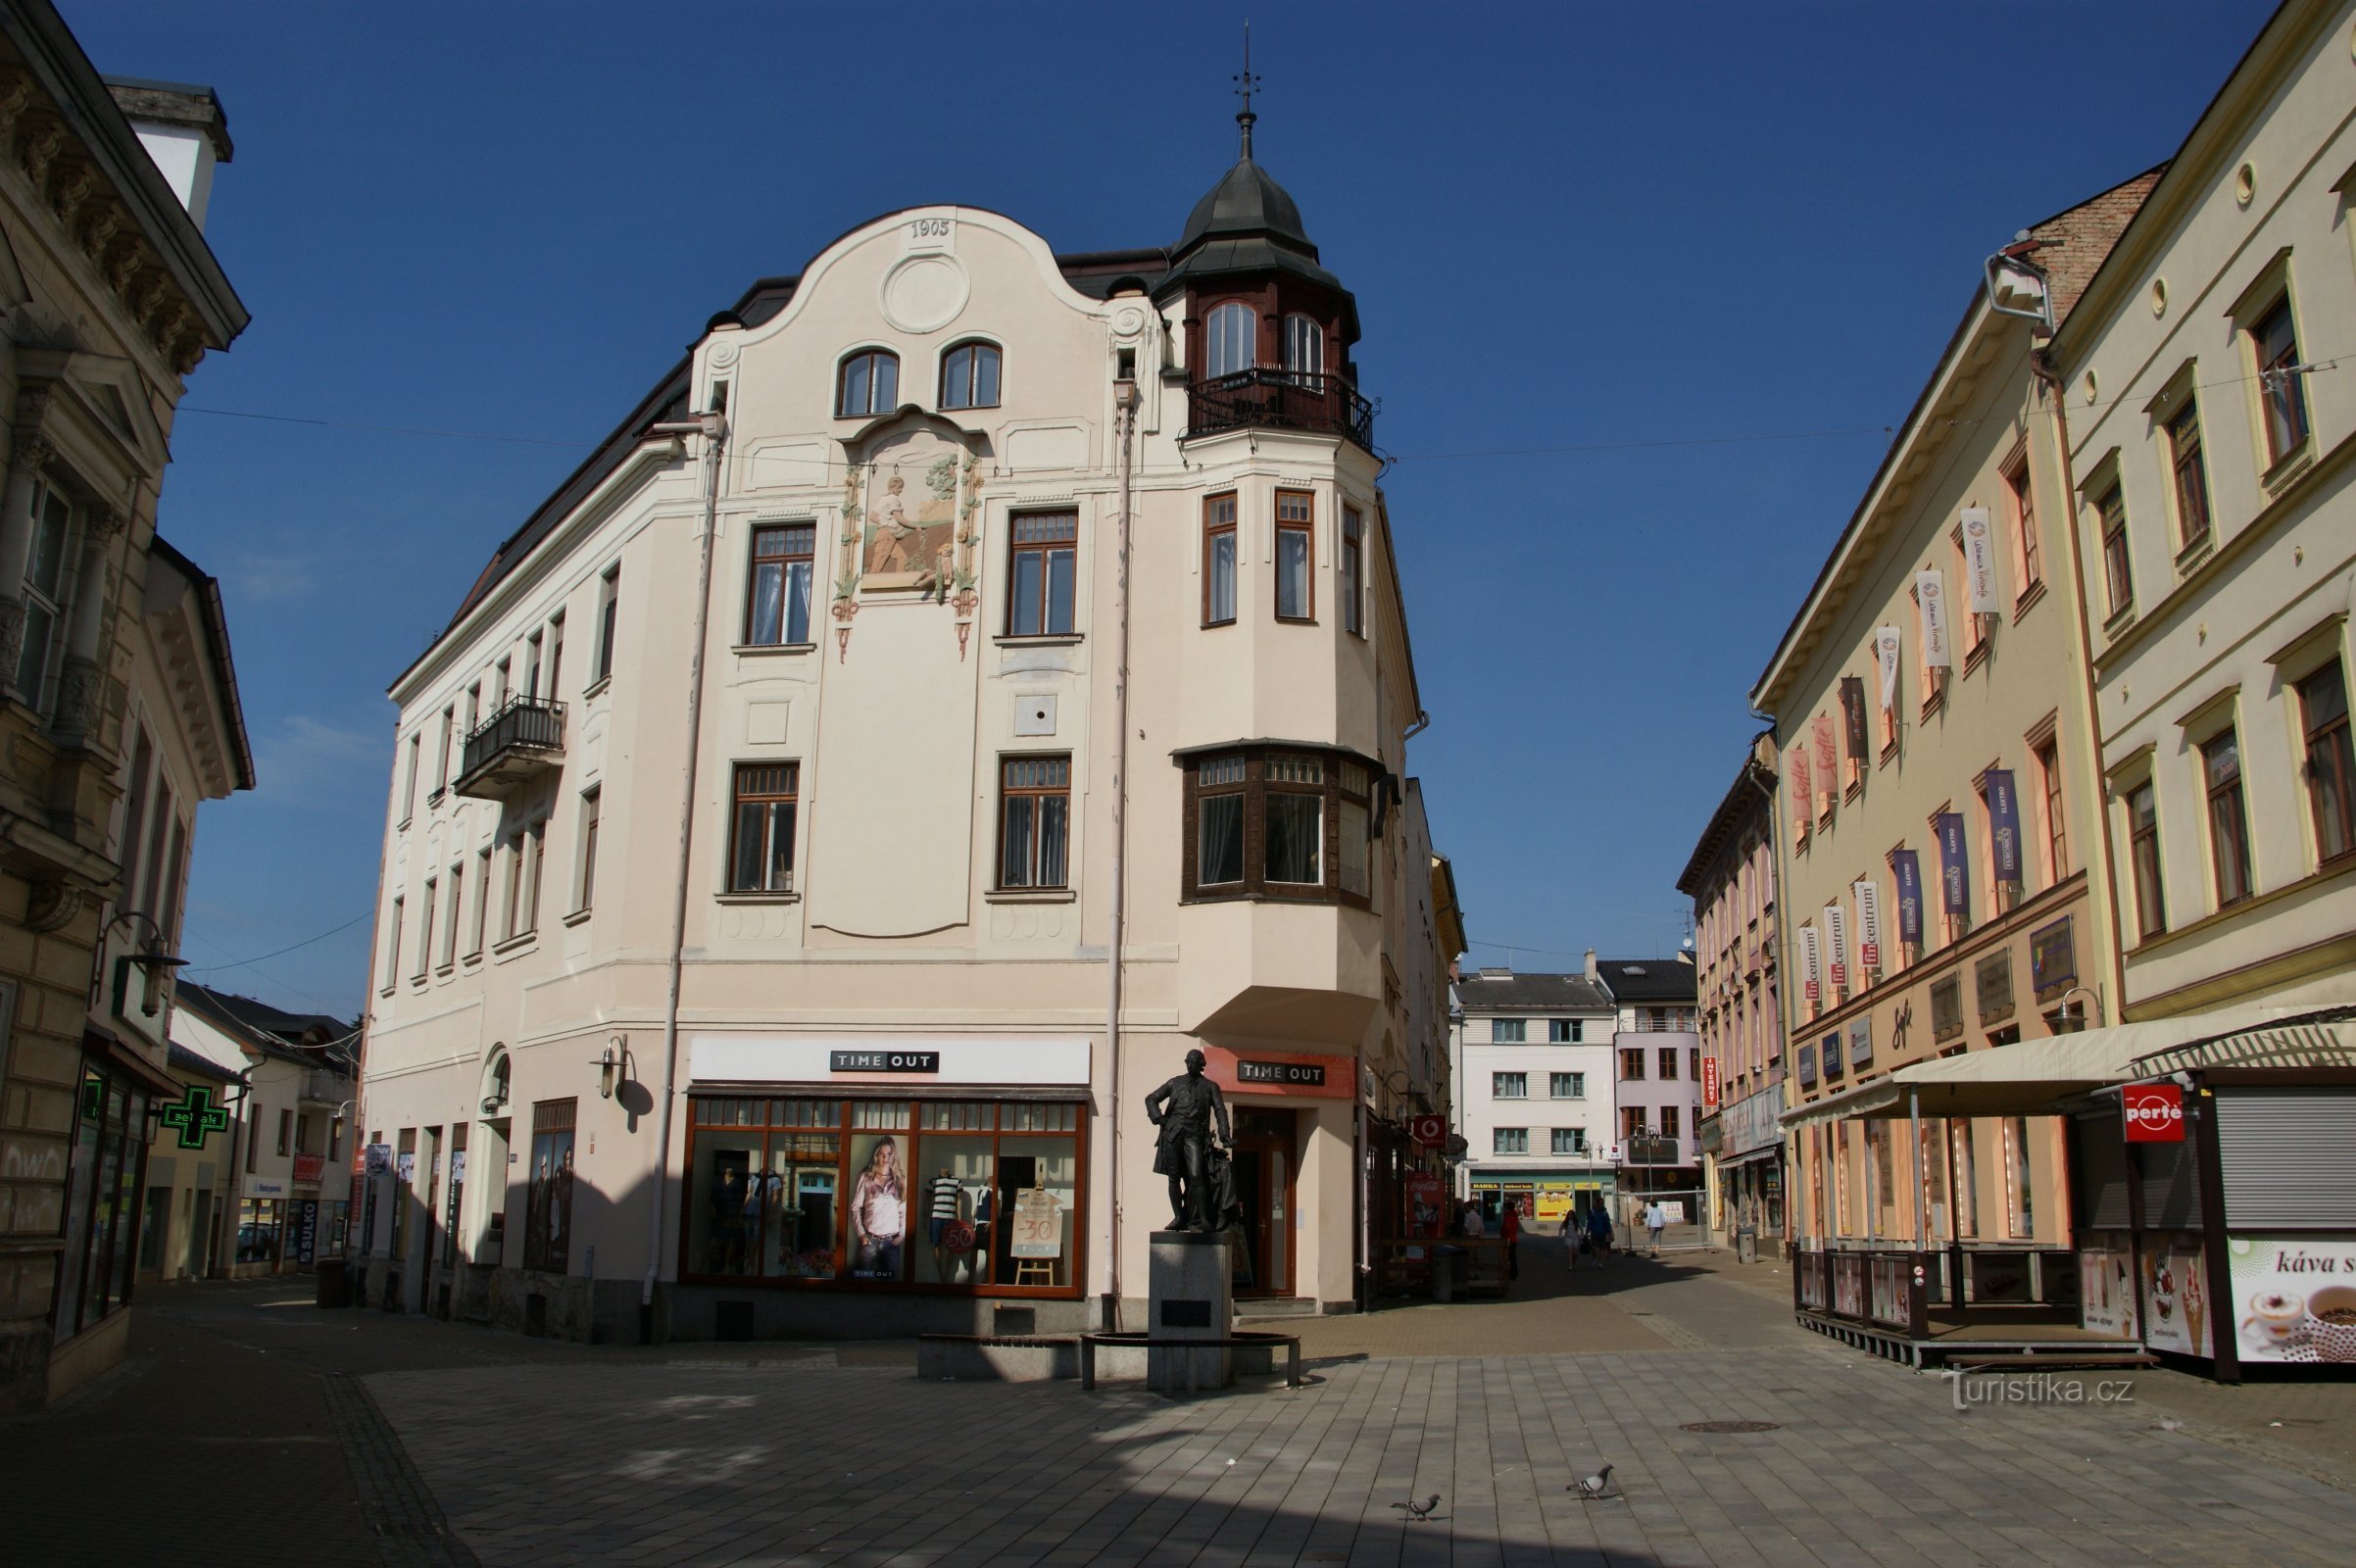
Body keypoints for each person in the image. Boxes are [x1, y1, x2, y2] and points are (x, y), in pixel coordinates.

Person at [1144, 1049, 1233, 1232]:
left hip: (1195, 1136)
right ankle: (1178, 1217)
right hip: (1173, 1134)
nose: (1190, 1065)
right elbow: (1151, 1098)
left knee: (1196, 1176)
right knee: (1173, 1177)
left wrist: (1225, 1135)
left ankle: (1203, 1219)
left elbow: (1220, 1110)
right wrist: (1159, 1118)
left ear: (1201, 1066)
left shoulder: (1210, 1086)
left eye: (1194, 1063)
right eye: (1188, 1062)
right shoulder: (1175, 1083)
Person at [850, 1136, 907, 1277]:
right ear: (876, 1156)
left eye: (889, 1154)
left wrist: (902, 1233)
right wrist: (861, 1234)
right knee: (862, 1279)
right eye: (882, 1154)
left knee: (890, 1282)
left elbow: (903, 1211)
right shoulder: (866, 1177)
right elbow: (856, 1207)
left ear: (893, 1157)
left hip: (891, 1243)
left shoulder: (899, 1180)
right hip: (869, 1239)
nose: (885, 1158)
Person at [1586, 1201, 1612, 1265]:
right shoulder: (1593, 1212)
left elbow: (1607, 1222)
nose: (1600, 1205)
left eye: (1601, 1203)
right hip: (1594, 1232)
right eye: (1599, 1203)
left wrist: (1609, 1231)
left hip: (1602, 1233)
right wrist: (1587, 1230)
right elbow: (1590, 1222)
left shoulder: (1605, 1213)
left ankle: (1600, 1263)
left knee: (1601, 1248)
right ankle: (1595, 1258)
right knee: (1595, 1248)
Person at [1500, 1198, 1521, 1279]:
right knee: (1512, 1257)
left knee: (1508, 1257)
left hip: (1508, 1238)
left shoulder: (1509, 1216)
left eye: (1504, 1208)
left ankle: (1510, 1274)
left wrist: (1503, 1233)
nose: (1503, 1209)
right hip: (1513, 1238)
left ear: (1507, 1208)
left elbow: (1507, 1227)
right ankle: (1514, 1273)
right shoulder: (1514, 1215)